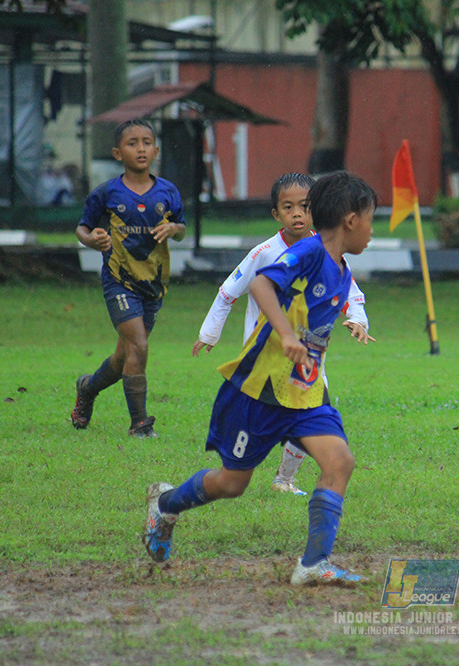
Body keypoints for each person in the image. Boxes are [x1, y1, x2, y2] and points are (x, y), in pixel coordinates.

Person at [144, 171, 376, 586]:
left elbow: (341, 307)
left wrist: (353, 322)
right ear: (350, 220)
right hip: (261, 390)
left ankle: (313, 564)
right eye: (371, 221)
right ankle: (165, 504)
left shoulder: (342, 270)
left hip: (306, 393)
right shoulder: (309, 253)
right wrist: (286, 335)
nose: (373, 233)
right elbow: (261, 284)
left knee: (340, 462)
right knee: (233, 484)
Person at [192, 172, 373, 496]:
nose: (298, 214)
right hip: (265, 361)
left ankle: (284, 479)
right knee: (233, 482)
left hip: (306, 366)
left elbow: (351, 295)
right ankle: (173, 501)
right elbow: (230, 291)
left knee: (328, 441)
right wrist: (209, 333)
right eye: (288, 207)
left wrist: (358, 321)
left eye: (304, 206)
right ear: (276, 213)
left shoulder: (333, 257)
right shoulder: (265, 252)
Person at [71, 119, 185, 437]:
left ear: (156, 150)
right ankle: (139, 424)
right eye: (132, 143)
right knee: (139, 344)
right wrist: (91, 239)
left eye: (146, 142)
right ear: (117, 153)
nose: (141, 148)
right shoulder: (107, 192)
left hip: (153, 283)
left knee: (125, 357)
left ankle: (87, 388)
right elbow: (82, 227)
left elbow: (181, 229)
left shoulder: (168, 192)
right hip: (119, 280)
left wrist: (174, 229)